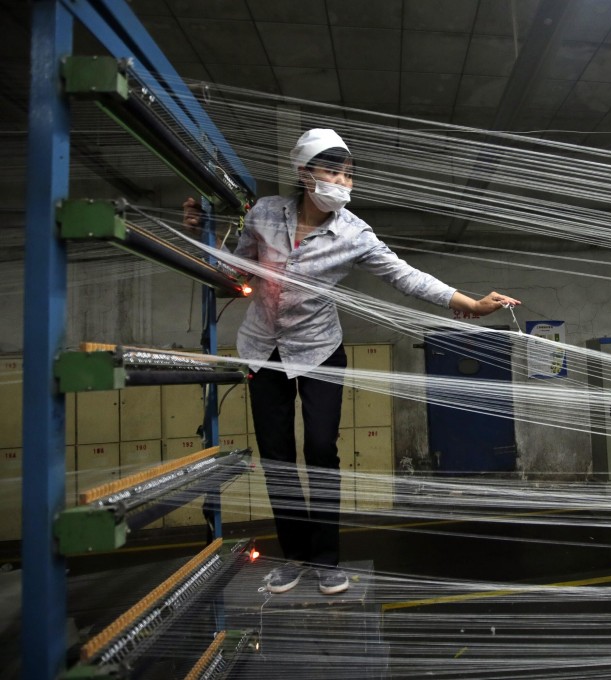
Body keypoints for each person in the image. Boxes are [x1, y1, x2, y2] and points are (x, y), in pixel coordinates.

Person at [183, 128, 520, 595]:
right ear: (305, 174)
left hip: (320, 350)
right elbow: (236, 272)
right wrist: (197, 235)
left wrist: (469, 303)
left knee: (321, 450)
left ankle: (326, 560)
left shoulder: (354, 232)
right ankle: (294, 557)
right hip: (263, 350)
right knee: (277, 457)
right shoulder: (263, 214)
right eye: (332, 172)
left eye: (348, 175)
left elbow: (407, 277)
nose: (342, 182)